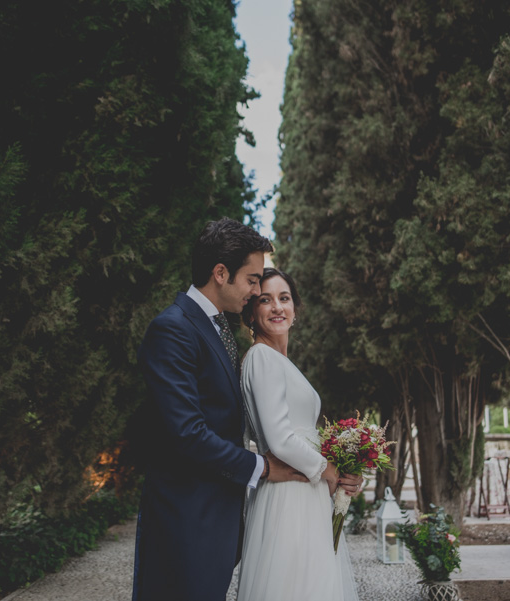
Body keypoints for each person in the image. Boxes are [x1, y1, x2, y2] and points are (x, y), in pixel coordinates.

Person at [132, 218, 310, 601]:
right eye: (252, 280)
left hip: (215, 525)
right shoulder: (173, 328)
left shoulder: (216, 327)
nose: (257, 290)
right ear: (220, 273)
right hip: (184, 527)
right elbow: (187, 433)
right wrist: (263, 467)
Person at [236, 267, 361, 601]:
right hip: (288, 496)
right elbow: (280, 439)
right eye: (266, 300)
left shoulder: (282, 363)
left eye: (284, 298)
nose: (277, 307)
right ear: (251, 313)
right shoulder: (262, 357)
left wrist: (343, 471)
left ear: (295, 310)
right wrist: (327, 470)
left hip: (306, 492)